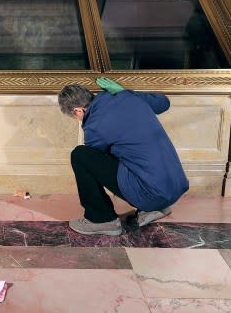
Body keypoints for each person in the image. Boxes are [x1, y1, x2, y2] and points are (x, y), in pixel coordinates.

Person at [57, 77, 189, 235]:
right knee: (128, 151)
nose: (78, 120)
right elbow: (163, 103)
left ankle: (101, 219)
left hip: (153, 195)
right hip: (176, 186)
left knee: (81, 156)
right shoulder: (126, 97)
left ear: (78, 110)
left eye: (75, 117)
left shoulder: (94, 127)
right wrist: (125, 92)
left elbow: (100, 166)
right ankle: (153, 208)